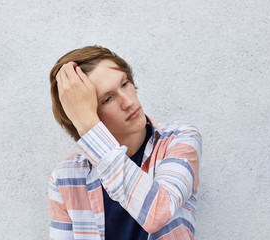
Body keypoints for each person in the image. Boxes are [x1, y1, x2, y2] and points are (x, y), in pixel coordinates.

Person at [48, 46, 202, 240]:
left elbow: (159, 212)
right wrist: (86, 124)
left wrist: (88, 127)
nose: (128, 101)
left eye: (125, 83)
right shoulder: (65, 177)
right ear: (83, 114)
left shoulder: (179, 140)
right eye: (108, 99)